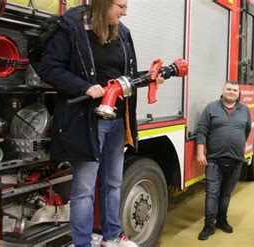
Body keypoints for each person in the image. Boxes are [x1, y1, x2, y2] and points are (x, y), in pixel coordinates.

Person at [38, 1, 163, 246]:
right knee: (84, 191)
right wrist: (83, 87)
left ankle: (112, 237)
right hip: (85, 123)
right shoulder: (72, 28)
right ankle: (82, 242)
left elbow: (125, 76)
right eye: (122, 6)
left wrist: (148, 79)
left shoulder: (123, 32)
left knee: (113, 184)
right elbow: (49, 67)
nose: (125, 12)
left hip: (117, 120)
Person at [196, 80, 251, 241]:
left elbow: (246, 130)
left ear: (239, 93)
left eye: (235, 90)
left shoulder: (244, 110)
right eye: (229, 89)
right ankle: (208, 225)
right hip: (214, 159)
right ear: (223, 90)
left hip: (236, 159)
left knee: (226, 193)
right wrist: (200, 153)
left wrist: (236, 145)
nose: (232, 92)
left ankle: (222, 220)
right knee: (212, 193)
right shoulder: (211, 108)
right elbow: (202, 130)